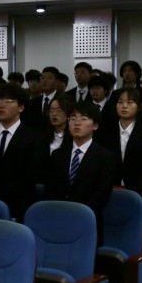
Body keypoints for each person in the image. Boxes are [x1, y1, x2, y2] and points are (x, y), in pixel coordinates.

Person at [42, 100, 120, 243]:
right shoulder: (58, 155)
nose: (77, 123)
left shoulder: (106, 157)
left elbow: (101, 195)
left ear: (95, 125)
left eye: (84, 118)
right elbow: (50, 188)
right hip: (57, 220)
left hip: (87, 222)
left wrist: (77, 215)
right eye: (73, 118)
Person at [0, 83, 43, 222]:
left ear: (21, 107)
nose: (1, 105)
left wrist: (1, 194)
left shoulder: (34, 138)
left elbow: (31, 173)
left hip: (20, 204)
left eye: (8, 101)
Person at [97, 85, 142, 235]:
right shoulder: (105, 133)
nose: (124, 106)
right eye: (120, 102)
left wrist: (134, 195)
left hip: (138, 195)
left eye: (130, 102)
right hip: (108, 195)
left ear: (139, 106)